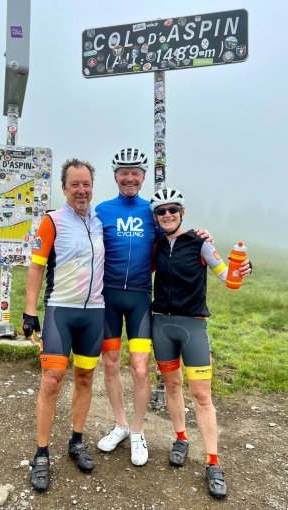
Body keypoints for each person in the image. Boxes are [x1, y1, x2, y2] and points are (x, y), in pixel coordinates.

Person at [95, 148, 211, 466]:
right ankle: (119, 424)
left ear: (144, 177)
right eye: (123, 172)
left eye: (135, 172)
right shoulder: (102, 210)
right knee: (110, 363)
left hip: (139, 301)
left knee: (141, 368)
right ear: (115, 176)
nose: (129, 177)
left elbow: (177, 235)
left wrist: (202, 236)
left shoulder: (154, 212)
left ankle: (137, 431)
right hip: (108, 298)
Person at [149, 188, 252, 498]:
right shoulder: (154, 246)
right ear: (156, 217)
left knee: (201, 395)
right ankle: (181, 438)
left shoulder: (200, 242)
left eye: (173, 209)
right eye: (161, 211)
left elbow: (228, 279)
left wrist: (242, 268)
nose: (167, 214)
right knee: (172, 386)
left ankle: (213, 462)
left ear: (182, 212)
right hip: (161, 325)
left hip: (193, 326)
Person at [23, 158, 105, 492]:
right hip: (60, 311)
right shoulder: (52, 221)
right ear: (64, 188)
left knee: (85, 378)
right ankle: (41, 453)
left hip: (95, 313)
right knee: (52, 380)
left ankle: (76, 441)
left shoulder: (101, 221)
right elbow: (36, 268)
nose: (82, 190)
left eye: (86, 184)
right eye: (75, 184)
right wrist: (30, 312)